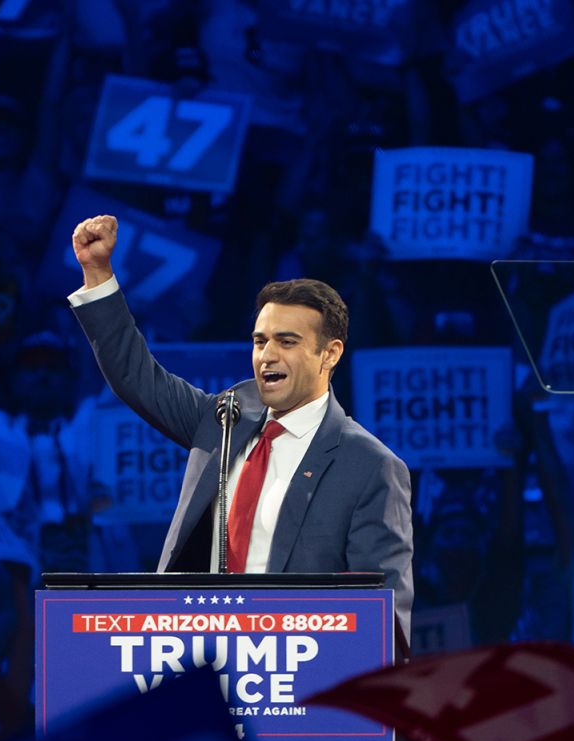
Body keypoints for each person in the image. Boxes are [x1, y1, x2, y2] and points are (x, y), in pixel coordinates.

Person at [67, 215, 414, 641]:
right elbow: (135, 376)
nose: (267, 355)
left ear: (330, 354)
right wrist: (98, 274)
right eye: (259, 340)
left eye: (287, 342)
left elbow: (383, 614)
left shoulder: (369, 465)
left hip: (295, 677)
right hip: (195, 662)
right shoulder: (223, 420)